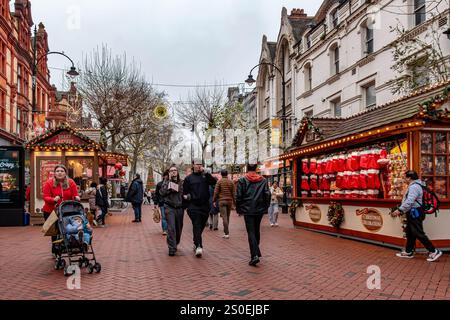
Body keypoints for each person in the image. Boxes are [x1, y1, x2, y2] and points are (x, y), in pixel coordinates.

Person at [391, 170, 442, 262]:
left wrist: (400, 210)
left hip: (415, 212)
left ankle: (434, 251)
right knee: (410, 232)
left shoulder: (414, 187)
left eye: (405, 177)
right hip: (414, 212)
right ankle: (408, 251)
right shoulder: (417, 185)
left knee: (418, 233)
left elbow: (410, 201)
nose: (404, 179)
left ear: (409, 178)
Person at [236, 163, 270, 266]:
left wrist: (239, 209)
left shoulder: (242, 180)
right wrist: (266, 207)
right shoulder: (263, 180)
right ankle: (256, 251)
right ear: (256, 168)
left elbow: (239, 196)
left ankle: (254, 255)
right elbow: (267, 194)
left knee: (251, 231)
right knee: (256, 230)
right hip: (259, 209)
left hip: (248, 209)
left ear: (247, 168)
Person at [183, 158, 217, 258]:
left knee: (201, 226)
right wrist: (186, 203)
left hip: (205, 206)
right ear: (193, 165)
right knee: (196, 224)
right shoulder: (188, 178)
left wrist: (207, 173)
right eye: (197, 164)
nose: (199, 166)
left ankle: (195, 241)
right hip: (193, 206)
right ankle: (199, 246)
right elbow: (185, 192)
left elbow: (213, 182)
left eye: (200, 164)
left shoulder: (205, 176)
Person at [42, 164, 81, 254]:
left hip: (66, 211)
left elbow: (75, 194)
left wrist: (76, 197)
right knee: (54, 232)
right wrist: (53, 199)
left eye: (62, 171)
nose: (59, 173)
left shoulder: (71, 182)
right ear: (54, 173)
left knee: (66, 229)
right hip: (51, 211)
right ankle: (55, 249)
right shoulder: (49, 183)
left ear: (65, 173)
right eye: (57, 171)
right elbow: (46, 197)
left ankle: (67, 246)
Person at [159, 165, 184, 256]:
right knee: (171, 228)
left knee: (178, 228)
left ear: (177, 172)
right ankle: (171, 248)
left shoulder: (181, 182)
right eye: (171, 171)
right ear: (169, 173)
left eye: (175, 170)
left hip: (179, 208)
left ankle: (175, 242)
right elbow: (162, 192)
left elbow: (184, 193)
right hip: (169, 207)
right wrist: (168, 182)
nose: (173, 172)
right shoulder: (165, 182)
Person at [213, 169, 236, 239]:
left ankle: (226, 233)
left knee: (224, 217)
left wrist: (214, 200)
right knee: (227, 217)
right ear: (227, 174)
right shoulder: (231, 182)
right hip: (229, 201)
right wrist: (235, 203)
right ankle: (226, 232)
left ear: (221, 174)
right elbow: (234, 193)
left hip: (222, 201)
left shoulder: (219, 182)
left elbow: (216, 192)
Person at [154, 171, 169, 235]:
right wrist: (155, 203)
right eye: (166, 175)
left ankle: (168, 229)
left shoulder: (172, 183)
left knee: (169, 217)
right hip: (162, 203)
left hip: (170, 203)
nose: (167, 176)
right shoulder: (159, 184)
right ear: (164, 176)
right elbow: (156, 194)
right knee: (164, 217)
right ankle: (165, 230)